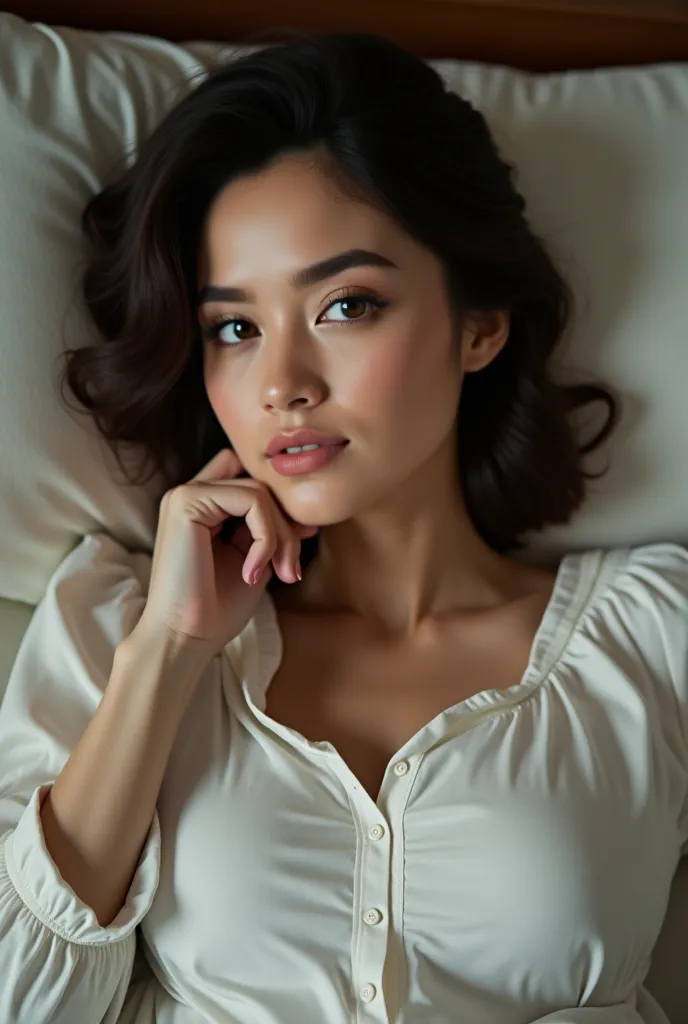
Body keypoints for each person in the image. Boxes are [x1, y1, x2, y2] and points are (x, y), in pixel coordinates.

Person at [0, 30, 686, 1024]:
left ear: (479, 322)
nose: (281, 383)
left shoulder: (651, 636)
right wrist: (170, 652)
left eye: (344, 305)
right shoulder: (116, 623)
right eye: (233, 327)